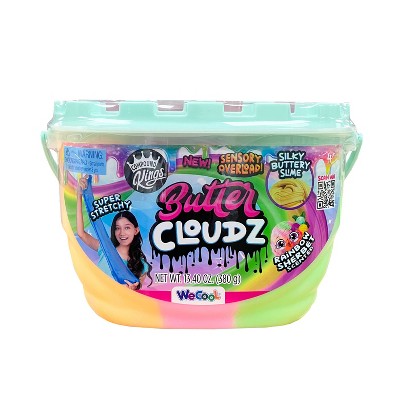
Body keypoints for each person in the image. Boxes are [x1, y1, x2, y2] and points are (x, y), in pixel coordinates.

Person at [76, 176, 152, 290]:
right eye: (117, 228)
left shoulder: (142, 266)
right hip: (97, 297)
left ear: (136, 230)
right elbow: (81, 233)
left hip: (117, 301)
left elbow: (135, 296)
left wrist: (130, 290)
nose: (122, 233)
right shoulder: (105, 249)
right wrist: (79, 196)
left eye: (127, 228)